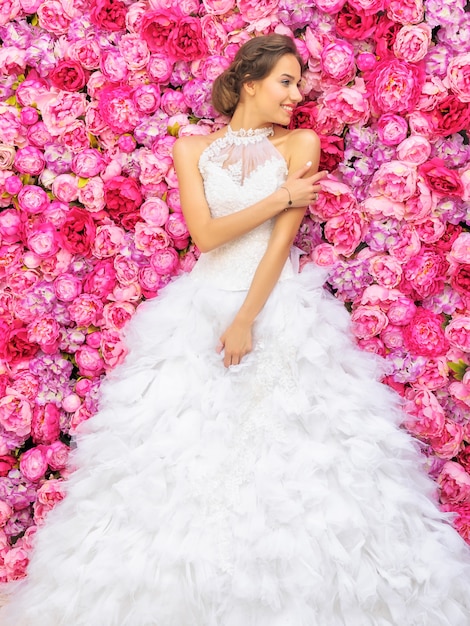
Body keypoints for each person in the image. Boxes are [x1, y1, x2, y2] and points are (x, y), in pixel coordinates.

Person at [2, 33, 470, 626]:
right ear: (249, 82)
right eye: (285, 81)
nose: (297, 95)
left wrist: (247, 318)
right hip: (200, 307)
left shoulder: (302, 142)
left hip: (277, 306)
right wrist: (280, 195)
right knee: (179, 448)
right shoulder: (193, 149)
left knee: (300, 456)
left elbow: (281, 244)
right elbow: (208, 236)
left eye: (299, 84)